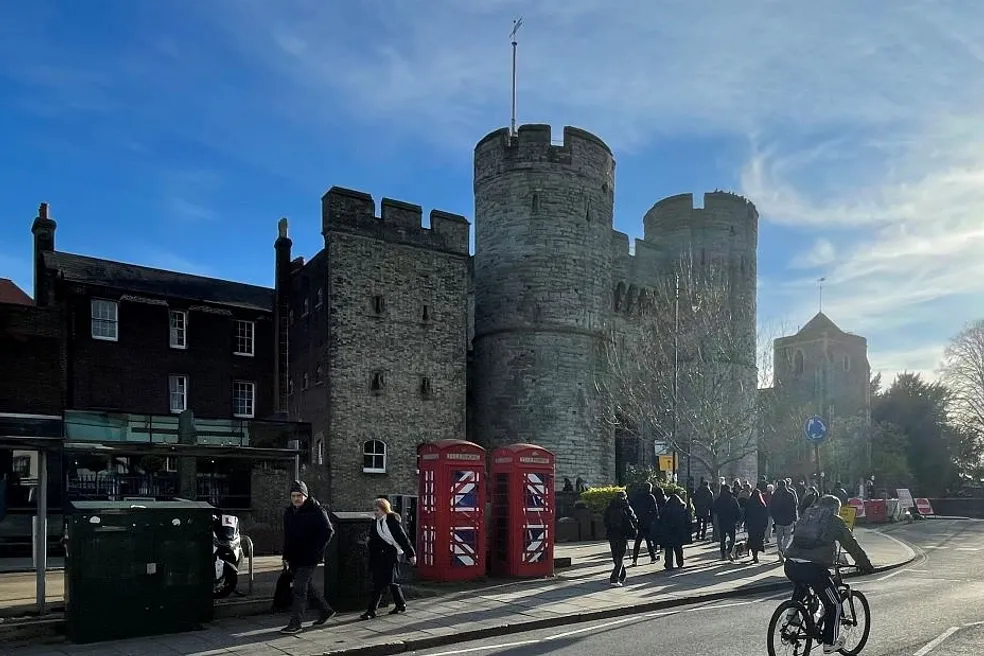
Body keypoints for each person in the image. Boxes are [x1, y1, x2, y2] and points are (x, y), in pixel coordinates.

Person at [783, 495, 875, 654]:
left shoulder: (807, 515)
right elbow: (851, 544)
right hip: (813, 568)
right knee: (835, 604)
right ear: (835, 508)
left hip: (790, 564)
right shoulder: (834, 520)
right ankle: (829, 643)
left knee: (803, 582)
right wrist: (865, 564)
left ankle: (793, 611)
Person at [281, 481, 335, 634]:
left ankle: (295, 623)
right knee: (307, 586)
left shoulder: (316, 510)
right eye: (293, 496)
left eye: (299, 495)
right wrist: (285, 555)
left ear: (305, 496)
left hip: (309, 557)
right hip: (294, 556)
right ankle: (325, 610)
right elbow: (288, 536)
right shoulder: (289, 512)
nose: (296, 499)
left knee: (299, 588)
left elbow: (328, 531)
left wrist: (316, 550)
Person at [361, 497, 417, 619]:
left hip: (390, 555)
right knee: (390, 582)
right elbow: (374, 536)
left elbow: (402, 538)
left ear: (384, 509)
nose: (375, 512)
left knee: (379, 584)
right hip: (378, 557)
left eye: (377, 510)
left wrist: (411, 554)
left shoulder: (391, 520)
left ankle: (372, 610)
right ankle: (400, 604)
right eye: (374, 510)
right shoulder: (375, 522)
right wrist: (369, 540)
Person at [603, 490, 638, 586]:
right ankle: (614, 578)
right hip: (622, 534)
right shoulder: (626, 506)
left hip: (611, 534)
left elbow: (605, 521)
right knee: (620, 556)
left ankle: (622, 575)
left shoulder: (610, 507)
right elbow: (633, 518)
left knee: (616, 555)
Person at [657, 493, 691, 570]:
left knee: (668, 548)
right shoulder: (682, 508)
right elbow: (687, 521)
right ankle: (680, 562)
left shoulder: (665, 509)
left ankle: (669, 564)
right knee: (678, 548)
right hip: (679, 531)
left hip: (668, 531)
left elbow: (661, 521)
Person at [769, 479, 799, 562]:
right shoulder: (790, 494)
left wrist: (774, 517)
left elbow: (771, 507)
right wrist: (794, 518)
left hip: (778, 519)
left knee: (779, 537)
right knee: (787, 536)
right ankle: (782, 549)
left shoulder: (775, 495)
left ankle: (780, 549)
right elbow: (793, 507)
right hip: (788, 518)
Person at [629, 483, 659, 566]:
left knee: (638, 541)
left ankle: (634, 559)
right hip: (648, 521)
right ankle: (653, 557)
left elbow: (632, 507)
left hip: (639, 520)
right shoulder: (650, 497)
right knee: (649, 540)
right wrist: (655, 519)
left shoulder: (637, 496)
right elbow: (655, 510)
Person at [713, 486, 741, 561]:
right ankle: (729, 551)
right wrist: (738, 520)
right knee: (732, 538)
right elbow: (738, 510)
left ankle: (723, 555)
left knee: (722, 539)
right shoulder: (733, 499)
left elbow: (714, 510)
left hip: (722, 521)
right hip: (731, 521)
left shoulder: (719, 500)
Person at [744, 489, 769, 563]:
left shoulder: (749, 503)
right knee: (758, 540)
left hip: (751, 525)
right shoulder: (762, 504)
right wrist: (765, 524)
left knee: (752, 539)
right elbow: (765, 516)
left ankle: (754, 554)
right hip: (760, 525)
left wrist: (746, 523)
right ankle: (756, 555)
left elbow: (746, 514)